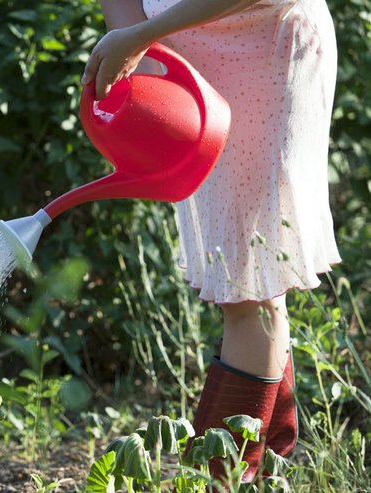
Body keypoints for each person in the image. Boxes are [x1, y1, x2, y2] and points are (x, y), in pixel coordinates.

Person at [82, 0, 340, 482]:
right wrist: (142, 46)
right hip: (187, 61)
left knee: (248, 288)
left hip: (266, 41)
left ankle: (221, 480)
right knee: (242, 283)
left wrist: (142, 37)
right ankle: (262, 474)